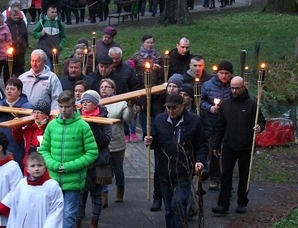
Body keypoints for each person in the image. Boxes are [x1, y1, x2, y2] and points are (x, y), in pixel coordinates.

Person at [144, 94, 208, 228]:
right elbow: (155, 141)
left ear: (182, 106)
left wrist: (200, 160)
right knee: (168, 209)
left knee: (178, 204)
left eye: (174, 108)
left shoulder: (194, 120)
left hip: (184, 170)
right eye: (168, 108)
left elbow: (202, 144)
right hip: (164, 170)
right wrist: (149, 141)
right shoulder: (159, 120)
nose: (171, 111)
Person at [40, 90, 98, 228]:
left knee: (69, 214)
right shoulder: (51, 125)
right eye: (60, 106)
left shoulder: (83, 126)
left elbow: (92, 153)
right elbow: (43, 150)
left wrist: (69, 166)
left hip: (73, 180)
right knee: (52, 214)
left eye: (66, 107)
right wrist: (53, 165)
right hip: (53, 179)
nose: (63, 110)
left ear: (74, 107)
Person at [212, 76, 265, 215]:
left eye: (237, 88)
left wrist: (259, 127)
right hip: (229, 145)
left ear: (243, 87)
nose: (235, 91)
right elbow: (220, 126)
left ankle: (242, 202)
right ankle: (223, 204)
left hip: (246, 146)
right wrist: (216, 145)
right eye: (233, 88)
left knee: (244, 175)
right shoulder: (225, 104)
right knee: (226, 175)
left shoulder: (252, 104)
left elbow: (261, 121)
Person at [75, 90, 111, 228]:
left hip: (98, 161)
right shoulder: (77, 118)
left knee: (96, 193)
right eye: (83, 102)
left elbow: (105, 142)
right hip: (81, 160)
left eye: (88, 102)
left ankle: (94, 221)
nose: (84, 104)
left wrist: (93, 127)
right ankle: (78, 219)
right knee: (80, 192)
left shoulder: (104, 119)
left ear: (95, 104)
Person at [0, 78, 33, 170]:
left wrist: (21, 119)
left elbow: (30, 128)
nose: (9, 91)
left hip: (17, 148)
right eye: (7, 89)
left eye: (13, 89)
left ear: (19, 92)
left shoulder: (27, 107)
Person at [99, 79, 136, 204]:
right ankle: (103, 194)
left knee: (118, 169)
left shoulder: (121, 103)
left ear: (113, 89)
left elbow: (128, 119)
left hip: (117, 141)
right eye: (102, 86)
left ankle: (120, 189)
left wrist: (131, 106)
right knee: (102, 168)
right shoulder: (96, 102)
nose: (103, 89)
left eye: (107, 87)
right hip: (102, 142)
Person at [7, 152, 64, 228]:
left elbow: (56, 211)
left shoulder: (52, 186)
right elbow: (15, 207)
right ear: (27, 169)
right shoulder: (22, 184)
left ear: (45, 168)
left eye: (39, 165)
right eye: (32, 166)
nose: (36, 169)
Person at [201, 60, 233, 190]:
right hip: (213, 123)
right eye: (221, 73)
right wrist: (209, 108)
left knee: (228, 153)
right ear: (217, 73)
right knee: (213, 151)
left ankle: (227, 179)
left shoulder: (234, 86)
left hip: (230, 124)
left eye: (226, 73)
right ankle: (214, 177)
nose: (224, 76)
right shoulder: (208, 85)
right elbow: (200, 100)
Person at [12, 100, 51, 174]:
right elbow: (19, 139)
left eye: (40, 113)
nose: (36, 115)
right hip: (29, 166)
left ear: (46, 116)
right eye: (35, 112)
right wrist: (16, 129)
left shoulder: (51, 127)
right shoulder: (29, 126)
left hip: (45, 167)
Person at [31, 5, 66, 70]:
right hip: (44, 51)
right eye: (52, 12)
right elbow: (34, 33)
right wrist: (41, 34)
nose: (54, 14)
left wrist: (60, 46)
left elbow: (63, 37)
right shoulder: (42, 22)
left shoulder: (59, 23)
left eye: (55, 12)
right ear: (47, 12)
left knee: (54, 68)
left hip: (55, 52)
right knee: (48, 68)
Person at [5, 7, 29, 77]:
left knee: (20, 68)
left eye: (17, 15)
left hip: (20, 49)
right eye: (14, 15)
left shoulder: (22, 23)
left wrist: (26, 44)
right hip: (10, 49)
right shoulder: (7, 23)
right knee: (9, 68)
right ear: (10, 15)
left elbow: (25, 34)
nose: (16, 17)